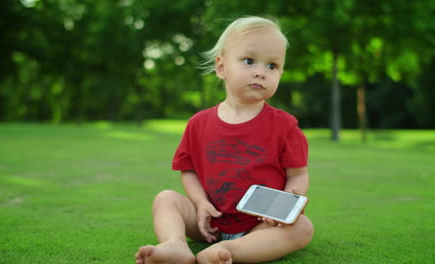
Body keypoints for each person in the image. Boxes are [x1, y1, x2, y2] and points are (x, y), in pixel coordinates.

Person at [135, 16, 314, 264]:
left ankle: (233, 250)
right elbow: (188, 171)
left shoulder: (285, 126)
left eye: (272, 66)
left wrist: (284, 205)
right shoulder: (198, 124)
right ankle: (175, 245)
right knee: (165, 198)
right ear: (221, 68)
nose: (261, 72)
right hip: (209, 220)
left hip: (261, 224)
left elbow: (297, 174)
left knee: (303, 227)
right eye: (249, 61)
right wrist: (199, 204)